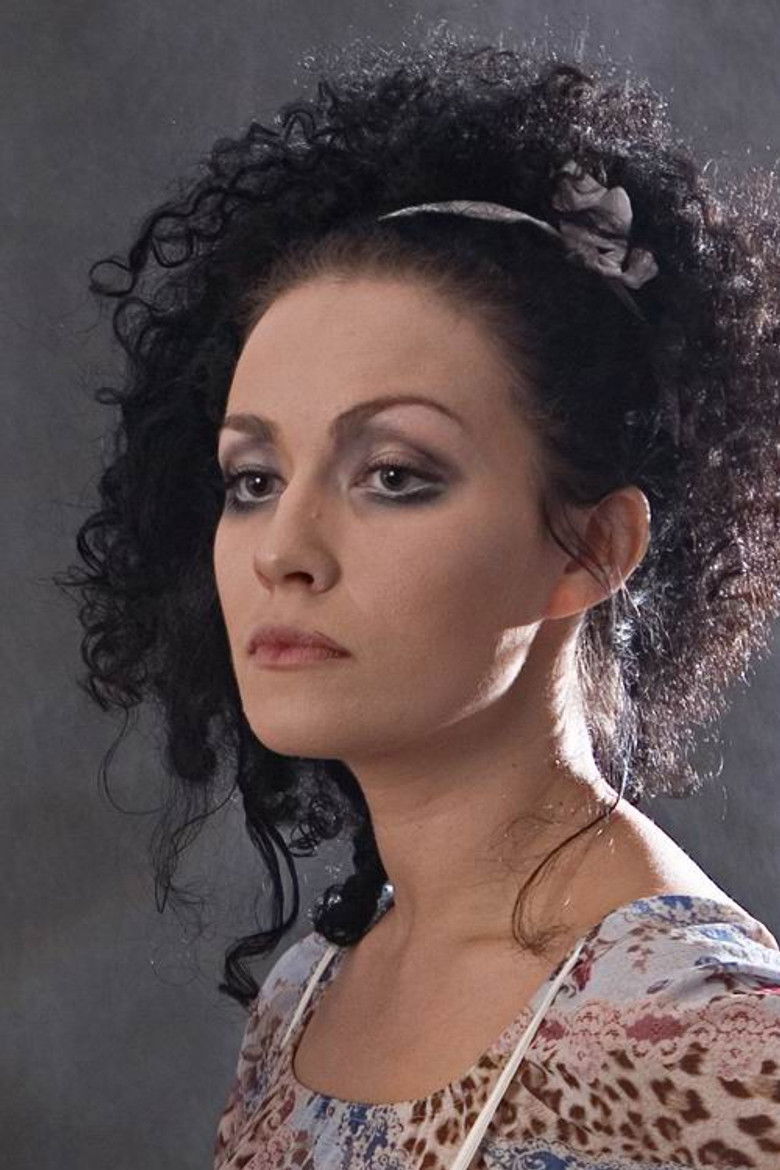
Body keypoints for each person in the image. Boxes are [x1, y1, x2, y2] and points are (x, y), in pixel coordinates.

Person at [60, 29, 780, 1169]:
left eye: (394, 475)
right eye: (253, 480)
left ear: (594, 548)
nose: (283, 551)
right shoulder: (308, 995)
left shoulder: (719, 1044)